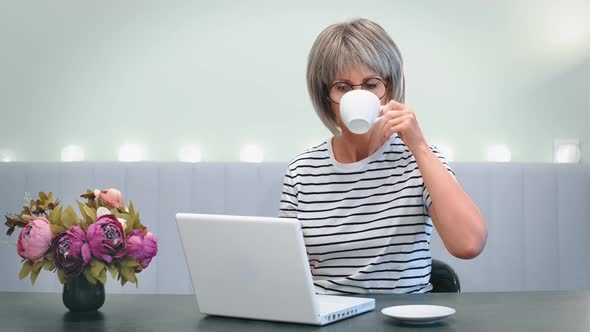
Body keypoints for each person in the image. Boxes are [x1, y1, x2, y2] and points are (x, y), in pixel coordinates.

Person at [278, 18, 487, 294]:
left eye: (371, 84)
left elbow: (468, 243)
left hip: (402, 318)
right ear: (325, 95)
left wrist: (420, 147)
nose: (358, 96)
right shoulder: (302, 170)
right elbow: (285, 268)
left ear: (388, 90)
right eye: (342, 87)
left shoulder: (420, 160)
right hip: (328, 319)